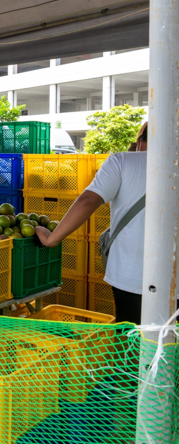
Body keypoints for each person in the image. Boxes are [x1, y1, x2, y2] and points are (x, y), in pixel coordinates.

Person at [36, 122, 148, 324]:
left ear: (140, 141)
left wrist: (52, 239)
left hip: (134, 276)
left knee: (135, 341)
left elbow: (88, 201)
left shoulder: (122, 161)